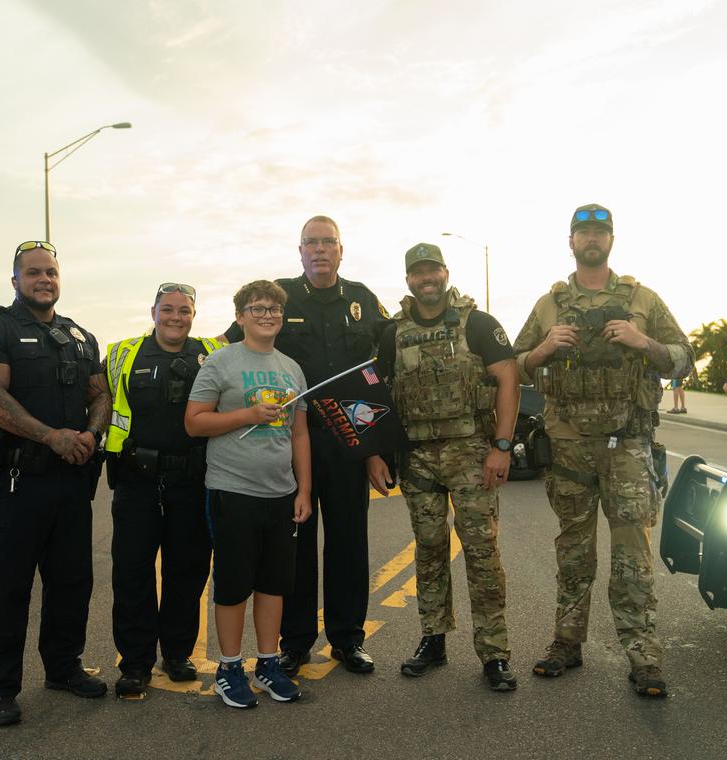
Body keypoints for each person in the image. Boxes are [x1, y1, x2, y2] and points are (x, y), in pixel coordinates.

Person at [512, 203, 693, 698]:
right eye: (583, 232)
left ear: (611, 239)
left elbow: (684, 359)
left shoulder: (643, 299)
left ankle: (644, 656)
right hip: (568, 446)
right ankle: (566, 644)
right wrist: (546, 347)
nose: (591, 238)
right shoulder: (549, 304)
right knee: (574, 549)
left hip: (628, 444)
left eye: (600, 231)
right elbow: (513, 364)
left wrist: (643, 342)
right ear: (570, 241)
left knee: (632, 553)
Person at [221, 215, 390, 676]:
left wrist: (377, 450)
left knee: (349, 540)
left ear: (341, 250)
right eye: (310, 243)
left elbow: (384, 372)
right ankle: (295, 642)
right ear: (300, 252)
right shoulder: (278, 296)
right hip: (291, 439)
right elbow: (228, 344)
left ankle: (348, 639)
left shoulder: (363, 300)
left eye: (327, 243)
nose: (319, 250)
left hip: (348, 439)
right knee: (294, 543)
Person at [0, 240, 110, 726]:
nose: (43, 279)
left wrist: (89, 433)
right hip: (15, 481)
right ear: (15, 281)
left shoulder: (78, 335)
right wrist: (51, 436)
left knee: (72, 582)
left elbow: (100, 393)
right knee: (8, 589)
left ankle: (63, 668)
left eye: (50, 272)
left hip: (71, 480)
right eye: (33, 273)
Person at [368, 243, 520, 692]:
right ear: (409, 280)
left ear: (446, 273)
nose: (426, 278)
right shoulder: (392, 333)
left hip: (472, 453)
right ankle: (433, 639)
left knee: (481, 553)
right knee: (429, 550)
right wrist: (375, 453)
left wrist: (503, 446)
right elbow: (376, 395)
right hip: (417, 459)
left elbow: (508, 378)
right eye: (417, 272)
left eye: (432, 269)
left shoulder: (477, 323)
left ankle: (494, 653)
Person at [186, 280, 311, 709]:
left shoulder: (291, 368)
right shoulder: (220, 363)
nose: (266, 315)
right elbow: (194, 422)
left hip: (281, 493)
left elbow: (299, 432)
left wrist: (304, 490)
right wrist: (248, 415)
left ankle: (268, 664)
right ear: (240, 317)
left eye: (274, 308)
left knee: (274, 585)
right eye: (256, 308)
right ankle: (230, 668)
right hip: (232, 490)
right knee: (235, 584)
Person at [103, 283, 223, 699]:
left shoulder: (212, 351)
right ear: (152, 311)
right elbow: (97, 402)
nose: (176, 317)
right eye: (167, 309)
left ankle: (176, 654)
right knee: (133, 571)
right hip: (137, 481)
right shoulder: (122, 353)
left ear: (195, 314)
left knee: (187, 571)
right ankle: (134, 662)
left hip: (192, 481)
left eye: (184, 310)